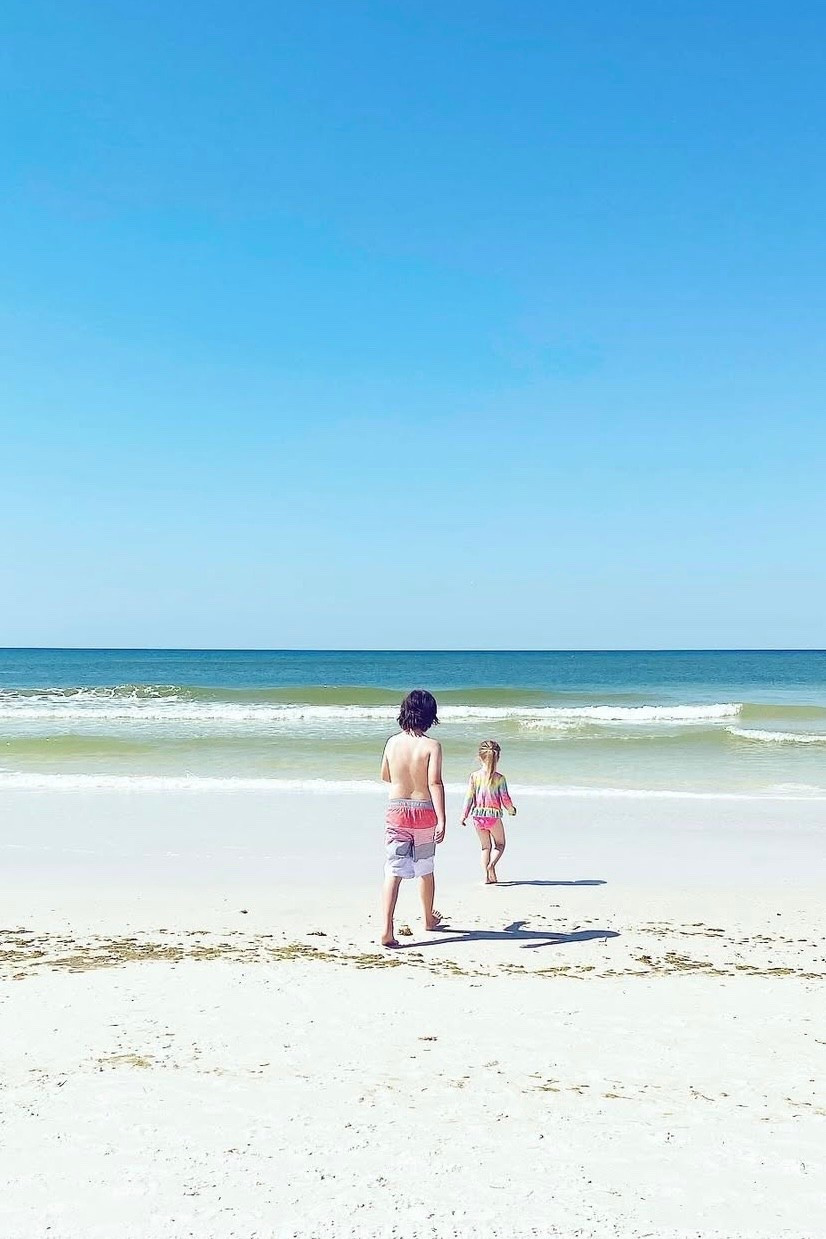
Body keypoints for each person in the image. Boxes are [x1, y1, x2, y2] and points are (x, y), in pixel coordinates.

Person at [380, 689, 446, 948]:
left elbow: (386, 776)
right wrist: (442, 819)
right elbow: (435, 783)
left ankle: (387, 929)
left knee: (393, 871)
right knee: (426, 868)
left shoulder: (392, 743)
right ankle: (428, 918)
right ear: (431, 716)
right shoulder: (432, 746)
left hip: (397, 810)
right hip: (424, 811)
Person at [460, 739, 516, 884]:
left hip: (477, 817)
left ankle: (486, 877)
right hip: (493, 817)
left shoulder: (474, 776)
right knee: (500, 844)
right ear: (498, 757)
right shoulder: (499, 778)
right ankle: (492, 865)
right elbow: (505, 798)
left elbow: (469, 797)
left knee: (485, 847)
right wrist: (511, 810)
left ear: (480, 757)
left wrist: (464, 815)